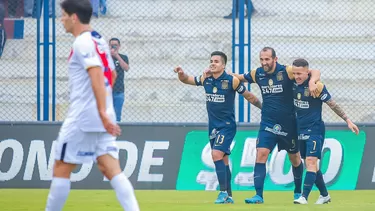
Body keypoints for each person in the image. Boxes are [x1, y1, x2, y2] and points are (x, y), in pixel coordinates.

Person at [45, 1, 139, 211]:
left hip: (84, 117)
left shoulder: (82, 43)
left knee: (61, 167)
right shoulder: (99, 40)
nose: (61, 19)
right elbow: (112, 75)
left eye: (63, 15)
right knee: (110, 168)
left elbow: (96, 74)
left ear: (74, 17)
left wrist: (100, 112)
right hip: (103, 115)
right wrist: (105, 111)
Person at [232, 47, 321, 204]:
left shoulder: (286, 71)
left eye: (267, 59)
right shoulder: (257, 73)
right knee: (261, 153)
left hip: (289, 124)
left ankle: (297, 191)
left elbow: (313, 71)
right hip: (268, 122)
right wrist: (217, 75)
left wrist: (313, 81)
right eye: (262, 59)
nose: (264, 62)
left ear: (275, 59)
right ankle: (258, 195)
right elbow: (237, 78)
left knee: (294, 158)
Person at [174, 51, 262, 204]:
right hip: (213, 126)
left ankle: (222, 193)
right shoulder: (206, 79)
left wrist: (263, 108)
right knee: (224, 159)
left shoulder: (231, 81)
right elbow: (187, 80)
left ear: (223, 65)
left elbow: (249, 96)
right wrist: (181, 73)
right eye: (211, 61)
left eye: (216, 61)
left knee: (216, 154)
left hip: (226, 126)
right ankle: (229, 196)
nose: (212, 63)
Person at [291, 58, 359, 204]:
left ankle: (304, 197)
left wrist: (347, 120)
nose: (297, 76)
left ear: (307, 72)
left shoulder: (317, 87)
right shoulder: (292, 83)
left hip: (315, 129)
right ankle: (325, 195)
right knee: (311, 165)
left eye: (300, 74)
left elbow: (332, 104)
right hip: (299, 129)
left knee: (310, 162)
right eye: (295, 73)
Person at [110, 37, 129, 122]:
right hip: (107, 91)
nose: (113, 47)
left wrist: (116, 56)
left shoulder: (123, 57)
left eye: (115, 45)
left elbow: (126, 68)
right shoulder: (105, 57)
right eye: (112, 45)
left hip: (119, 90)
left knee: (117, 116)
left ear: (119, 46)